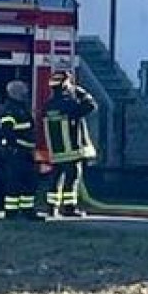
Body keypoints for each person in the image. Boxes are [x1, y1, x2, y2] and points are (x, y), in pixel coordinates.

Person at [40, 69, 99, 218]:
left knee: (55, 177)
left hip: (56, 151)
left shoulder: (48, 105)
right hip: (72, 149)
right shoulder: (71, 103)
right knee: (72, 177)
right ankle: (69, 208)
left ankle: (51, 207)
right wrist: (80, 92)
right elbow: (91, 106)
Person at [0, 80, 40, 221]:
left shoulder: (20, 107)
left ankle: (28, 210)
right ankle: (11, 213)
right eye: (23, 91)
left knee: (29, 181)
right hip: (17, 151)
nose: (25, 94)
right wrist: (11, 147)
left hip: (25, 151)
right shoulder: (11, 109)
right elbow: (6, 131)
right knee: (15, 182)